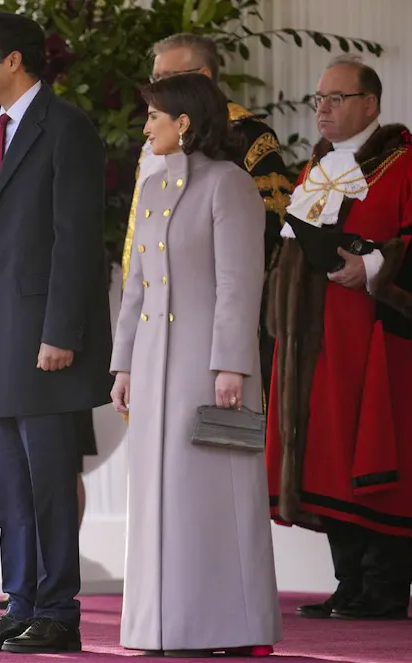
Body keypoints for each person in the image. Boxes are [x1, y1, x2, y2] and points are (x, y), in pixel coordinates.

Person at [266, 56, 412, 621]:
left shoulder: (408, 166)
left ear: (370, 104)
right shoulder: (316, 167)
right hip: (321, 338)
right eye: (318, 99)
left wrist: (375, 267)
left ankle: (384, 587)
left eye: (335, 98)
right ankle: (348, 582)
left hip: (379, 338)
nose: (323, 110)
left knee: (377, 448)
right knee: (329, 454)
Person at [0, 12, 113, 654]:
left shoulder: (68, 128)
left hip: (47, 343)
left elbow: (78, 241)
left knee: (48, 486)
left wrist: (61, 331)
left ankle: (58, 611)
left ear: (14, 60)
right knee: (8, 489)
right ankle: (19, 605)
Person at [109, 74, 282, 658]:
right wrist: (123, 363)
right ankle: (159, 628)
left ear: (183, 122)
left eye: (153, 115)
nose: (145, 126)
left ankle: (234, 627)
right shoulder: (154, 184)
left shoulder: (229, 184)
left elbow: (240, 282)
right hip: (156, 368)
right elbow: (137, 284)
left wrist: (232, 364)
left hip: (209, 369)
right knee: (159, 497)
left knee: (210, 495)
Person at [121, 33, 291, 409]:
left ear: (202, 76)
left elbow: (265, 236)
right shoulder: (157, 142)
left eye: (168, 78)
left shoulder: (246, 135)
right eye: (154, 79)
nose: (156, 88)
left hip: (212, 321)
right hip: (156, 319)